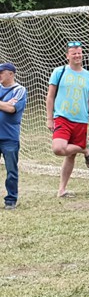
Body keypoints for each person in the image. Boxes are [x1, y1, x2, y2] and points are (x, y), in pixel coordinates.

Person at [46, 41, 89, 198]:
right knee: (58, 149)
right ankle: (85, 149)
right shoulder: (59, 72)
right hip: (62, 117)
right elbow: (50, 96)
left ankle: (62, 190)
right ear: (67, 56)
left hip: (81, 120)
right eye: (74, 53)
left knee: (70, 155)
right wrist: (49, 118)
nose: (77, 55)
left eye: (79, 53)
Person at [0, 63, 27, 210]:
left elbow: (11, 108)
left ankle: (10, 200)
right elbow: (6, 106)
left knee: (11, 170)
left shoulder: (19, 90)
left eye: (1, 72)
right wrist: (3, 104)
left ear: (11, 74)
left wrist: (6, 105)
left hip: (9, 138)